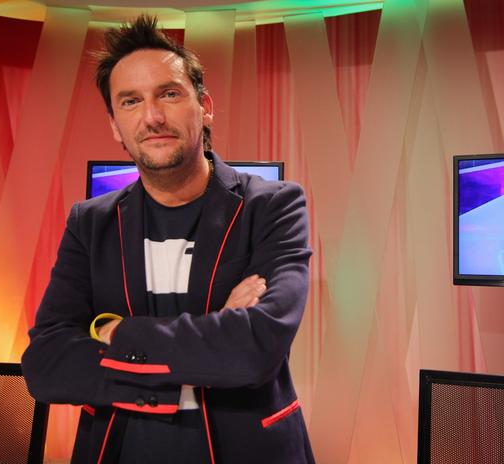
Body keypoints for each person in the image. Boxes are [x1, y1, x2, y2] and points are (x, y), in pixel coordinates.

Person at [22, 15, 314, 464]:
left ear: (204, 106)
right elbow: (46, 364)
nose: (152, 116)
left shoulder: (273, 206)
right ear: (115, 125)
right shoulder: (90, 222)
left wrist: (112, 333)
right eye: (130, 101)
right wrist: (218, 327)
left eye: (169, 94)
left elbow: (255, 349)